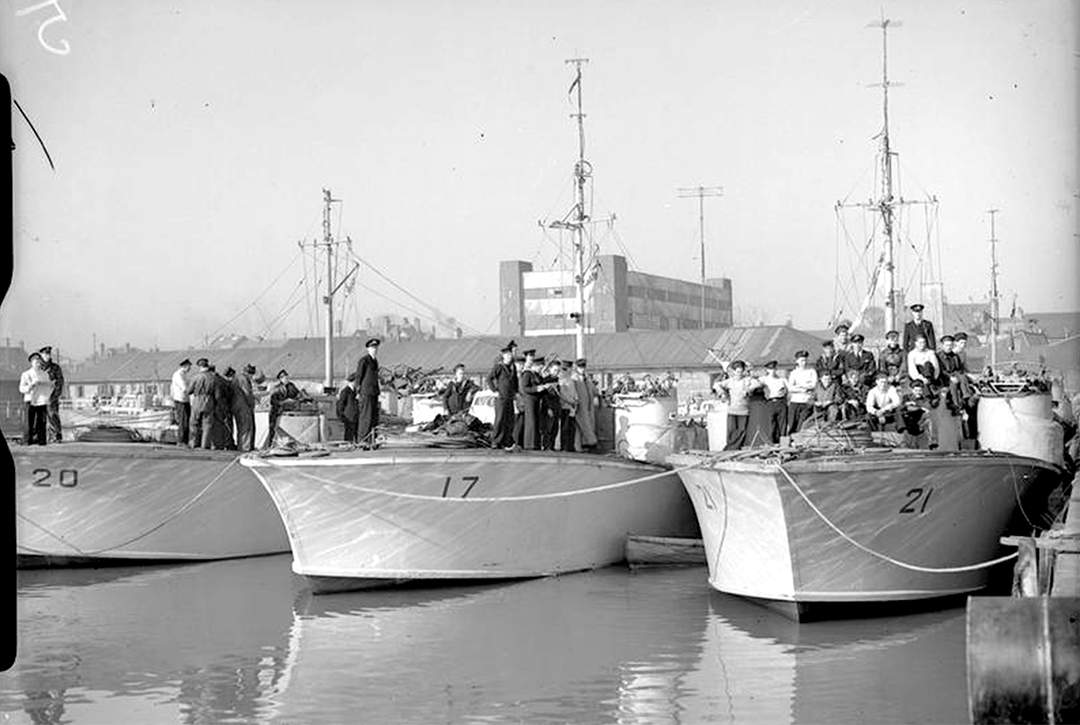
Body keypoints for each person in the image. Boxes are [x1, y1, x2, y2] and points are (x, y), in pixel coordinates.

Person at [715, 360, 761, 450]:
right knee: (731, 431)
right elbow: (717, 385)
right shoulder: (730, 381)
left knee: (742, 431)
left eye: (741, 371)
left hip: (744, 411)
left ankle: (736, 448)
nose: (739, 374)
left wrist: (749, 389)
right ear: (734, 371)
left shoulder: (747, 380)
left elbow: (758, 383)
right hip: (732, 410)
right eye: (737, 372)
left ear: (743, 371)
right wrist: (722, 393)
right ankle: (730, 448)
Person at [487, 344, 519, 449]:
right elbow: (489, 378)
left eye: (510, 354)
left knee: (509, 420)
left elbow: (515, 381)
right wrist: (494, 390)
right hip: (501, 397)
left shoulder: (512, 367)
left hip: (509, 397)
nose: (509, 356)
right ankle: (495, 441)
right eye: (507, 355)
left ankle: (506, 440)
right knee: (500, 419)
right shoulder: (499, 366)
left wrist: (516, 392)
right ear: (504, 356)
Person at [264, 369, 306, 448]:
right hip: (277, 411)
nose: (286, 379)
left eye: (287, 377)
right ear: (280, 379)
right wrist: (283, 402)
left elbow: (298, 395)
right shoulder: (276, 388)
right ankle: (272, 444)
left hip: (289, 410)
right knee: (273, 428)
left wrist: (298, 399)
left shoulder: (292, 386)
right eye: (284, 377)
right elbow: (273, 401)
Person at [519, 354, 552, 450]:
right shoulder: (527, 374)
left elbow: (541, 385)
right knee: (531, 422)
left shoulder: (537, 375)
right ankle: (529, 444)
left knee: (537, 422)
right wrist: (537, 388)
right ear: (535, 365)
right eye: (540, 366)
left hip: (537, 400)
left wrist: (545, 387)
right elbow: (525, 388)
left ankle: (536, 443)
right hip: (529, 400)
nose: (541, 368)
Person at [355, 338, 382, 448]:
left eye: (375, 348)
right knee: (366, 417)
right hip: (366, 392)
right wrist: (358, 391)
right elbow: (359, 376)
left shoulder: (375, 361)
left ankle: (371, 440)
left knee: (373, 418)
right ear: (368, 349)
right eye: (372, 348)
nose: (374, 350)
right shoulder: (364, 361)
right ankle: (362, 440)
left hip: (374, 392)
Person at [19, 352, 52, 445]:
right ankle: (27, 440)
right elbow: (21, 389)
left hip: (41, 400)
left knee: (41, 421)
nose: (38, 363)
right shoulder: (26, 374)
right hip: (30, 400)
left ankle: (41, 440)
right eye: (35, 361)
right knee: (29, 422)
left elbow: (49, 386)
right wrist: (31, 386)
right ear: (31, 363)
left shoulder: (45, 374)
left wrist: (47, 385)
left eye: (39, 361)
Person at [937, 334, 974, 416]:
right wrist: (950, 377)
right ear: (942, 345)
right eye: (947, 345)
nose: (949, 347)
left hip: (955, 374)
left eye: (950, 345)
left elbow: (958, 368)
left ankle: (966, 394)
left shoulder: (954, 356)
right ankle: (956, 405)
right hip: (944, 377)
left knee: (962, 376)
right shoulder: (939, 356)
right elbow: (940, 370)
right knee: (953, 384)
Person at [186, 358, 216, 449]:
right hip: (209, 400)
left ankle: (193, 443)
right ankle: (205, 445)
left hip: (198, 400)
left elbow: (189, 391)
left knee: (194, 422)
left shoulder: (196, 377)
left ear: (200, 366)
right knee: (207, 424)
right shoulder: (213, 377)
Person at [786, 350, 817, 435]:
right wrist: (803, 388)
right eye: (802, 360)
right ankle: (790, 439)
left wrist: (799, 385)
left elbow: (813, 385)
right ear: (797, 361)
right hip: (795, 400)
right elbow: (790, 387)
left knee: (802, 423)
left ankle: (799, 439)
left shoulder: (811, 371)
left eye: (805, 360)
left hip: (806, 401)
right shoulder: (793, 373)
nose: (804, 362)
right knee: (792, 422)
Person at [572, 358, 600, 452]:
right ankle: (592, 443)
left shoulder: (587, 378)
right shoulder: (575, 379)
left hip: (589, 406)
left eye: (583, 367)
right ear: (576, 368)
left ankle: (580, 447)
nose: (582, 369)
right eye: (580, 367)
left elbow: (594, 390)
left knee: (584, 427)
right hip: (580, 406)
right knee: (585, 426)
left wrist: (598, 393)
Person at [758, 360, 788, 443]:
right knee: (771, 425)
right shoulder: (763, 379)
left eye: (774, 369)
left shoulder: (782, 379)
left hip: (781, 402)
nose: (772, 371)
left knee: (783, 425)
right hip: (770, 402)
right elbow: (753, 383)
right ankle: (772, 443)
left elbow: (790, 389)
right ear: (767, 370)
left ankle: (783, 444)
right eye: (770, 369)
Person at [38, 346, 64, 442]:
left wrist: (55, 395)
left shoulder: (55, 368)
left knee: (52, 415)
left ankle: (56, 435)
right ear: (41, 355)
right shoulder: (38, 368)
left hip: (51, 396)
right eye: (45, 354)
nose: (48, 356)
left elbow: (60, 382)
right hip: (39, 397)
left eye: (49, 354)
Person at [232, 363, 257, 452]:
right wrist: (252, 404)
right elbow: (248, 393)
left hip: (236, 406)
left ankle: (241, 447)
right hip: (243, 406)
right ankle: (245, 449)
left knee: (241, 428)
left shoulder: (237, 377)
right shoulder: (243, 379)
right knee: (246, 428)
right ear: (249, 373)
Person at [556, 362, 579, 452]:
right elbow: (562, 394)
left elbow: (575, 392)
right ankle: (564, 446)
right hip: (565, 406)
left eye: (567, 369)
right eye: (564, 369)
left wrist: (576, 400)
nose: (566, 371)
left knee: (572, 427)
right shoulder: (561, 380)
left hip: (572, 406)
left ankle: (570, 445)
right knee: (565, 427)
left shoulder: (571, 380)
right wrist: (570, 402)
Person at [212, 366, 235, 450]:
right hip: (223, 406)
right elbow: (227, 395)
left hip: (217, 406)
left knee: (219, 426)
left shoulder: (216, 380)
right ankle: (228, 444)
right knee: (227, 425)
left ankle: (221, 444)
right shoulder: (223, 381)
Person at [170, 358, 192, 447]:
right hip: (180, 400)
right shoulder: (178, 375)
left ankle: (185, 440)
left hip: (186, 400)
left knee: (187, 420)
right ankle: (181, 440)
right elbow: (184, 388)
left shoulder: (184, 375)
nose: (190, 368)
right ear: (185, 366)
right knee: (183, 420)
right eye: (189, 366)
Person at [336, 372, 360, 444]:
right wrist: (341, 416)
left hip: (356, 416)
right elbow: (340, 404)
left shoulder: (355, 391)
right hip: (349, 417)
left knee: (356, 433)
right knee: (349, 434)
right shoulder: (345, 391)